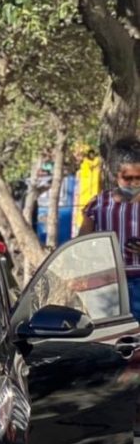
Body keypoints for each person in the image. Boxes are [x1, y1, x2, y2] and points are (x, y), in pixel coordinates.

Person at [78, 137, 140, 320]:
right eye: (128, 178)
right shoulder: (98, 205)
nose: (134, 183)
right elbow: (81, 244)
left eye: (139, 177)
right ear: (115, 175)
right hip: (108, 286)